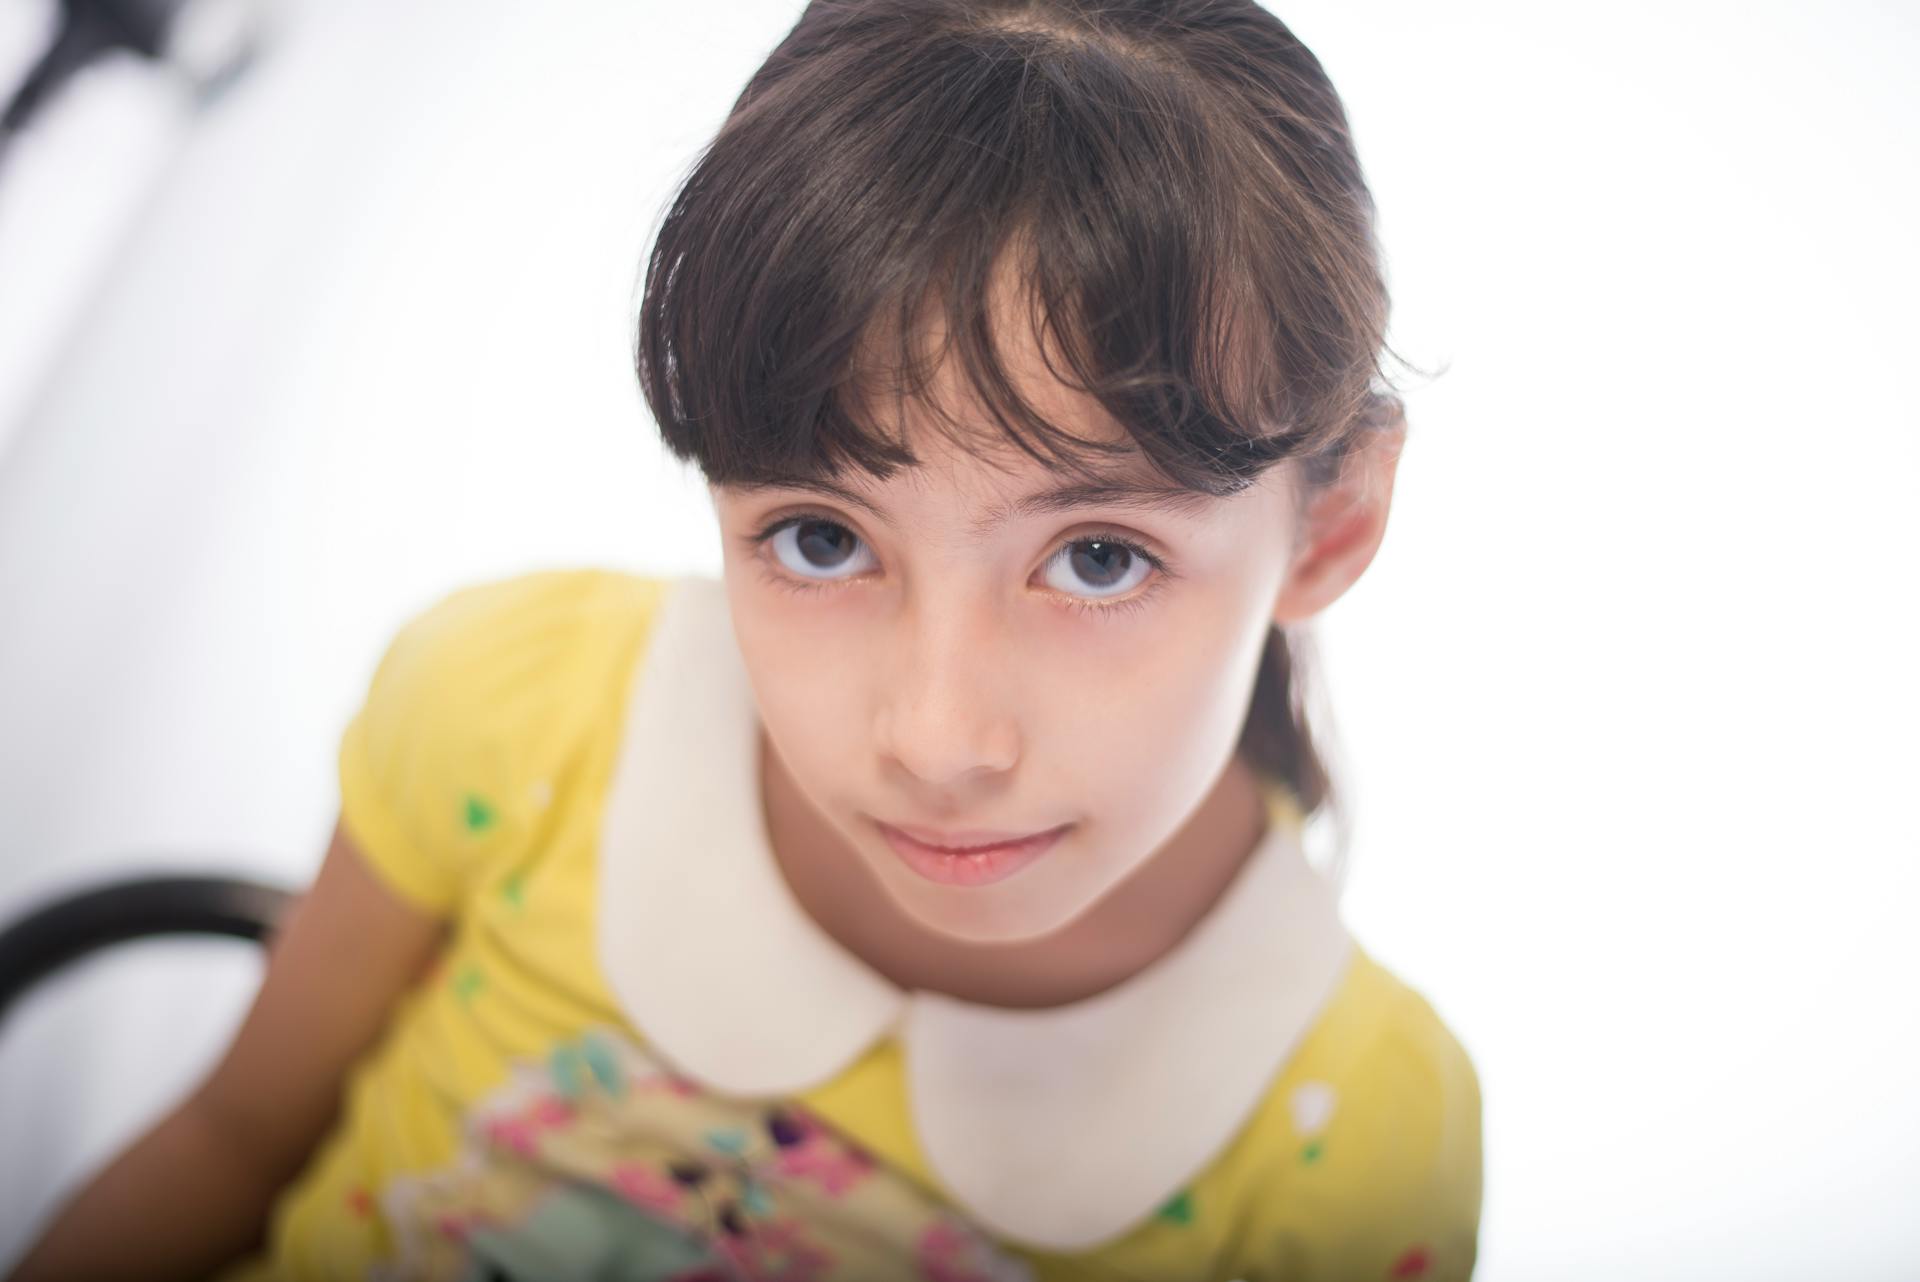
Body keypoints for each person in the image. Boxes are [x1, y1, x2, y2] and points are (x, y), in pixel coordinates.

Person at [8, 1, 1483, 1278]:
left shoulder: (1355, 1135)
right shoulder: (519, 713)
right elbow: (234, 1135)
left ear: (1331, 520)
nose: (936, 734)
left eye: (1098, 557)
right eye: (824, 538)